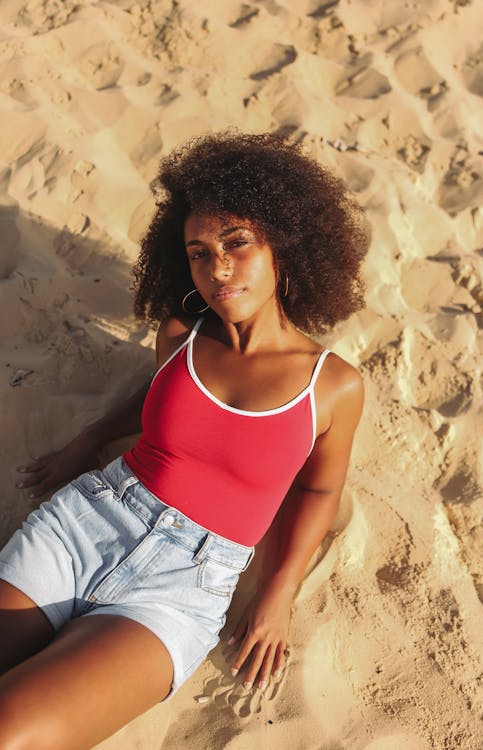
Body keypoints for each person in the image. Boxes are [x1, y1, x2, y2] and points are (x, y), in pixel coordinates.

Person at [0, 131, 367, 749]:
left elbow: (322, 486)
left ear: (284, 245)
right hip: (86, 523)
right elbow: (157, 397)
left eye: (237, 243)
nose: (217, 267)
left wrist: (279, 595)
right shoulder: (182, 336)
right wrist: (89, 436)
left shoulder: (331, 386)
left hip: (180, 589)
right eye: (199, 251)